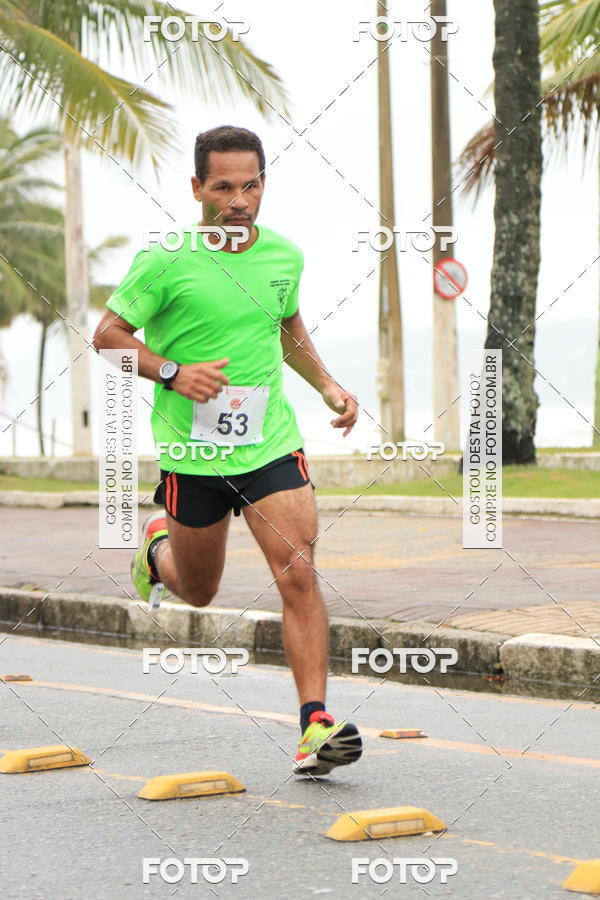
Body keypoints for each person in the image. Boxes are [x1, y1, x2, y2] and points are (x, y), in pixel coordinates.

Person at [93, 124, 362, 777]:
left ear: (263, 184)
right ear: (196, 188)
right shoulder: (166, 259)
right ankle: (157, 554)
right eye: (223, 187)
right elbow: (106, 335)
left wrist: (326, 382)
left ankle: (314, 726)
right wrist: (170, 373)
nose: (238, 201)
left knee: (297, 572)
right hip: (193, 455)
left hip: (271, 445)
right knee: (202, 590)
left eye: (251, 185)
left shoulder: (284, 257)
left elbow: (287, 323)